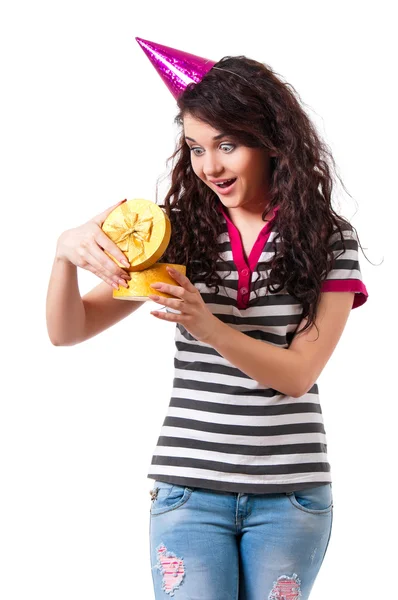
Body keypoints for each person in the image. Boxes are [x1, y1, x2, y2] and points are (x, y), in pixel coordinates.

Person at [46, 42, 368, 600]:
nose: (210, 166)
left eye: (228, 144)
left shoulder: (327, 238)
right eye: (195, 148)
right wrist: (61, 254)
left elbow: (297, 374)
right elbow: (68, 331)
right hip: (188, 493)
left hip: (290, 495)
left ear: (271, 141)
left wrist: (207, 324)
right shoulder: (176, 233)